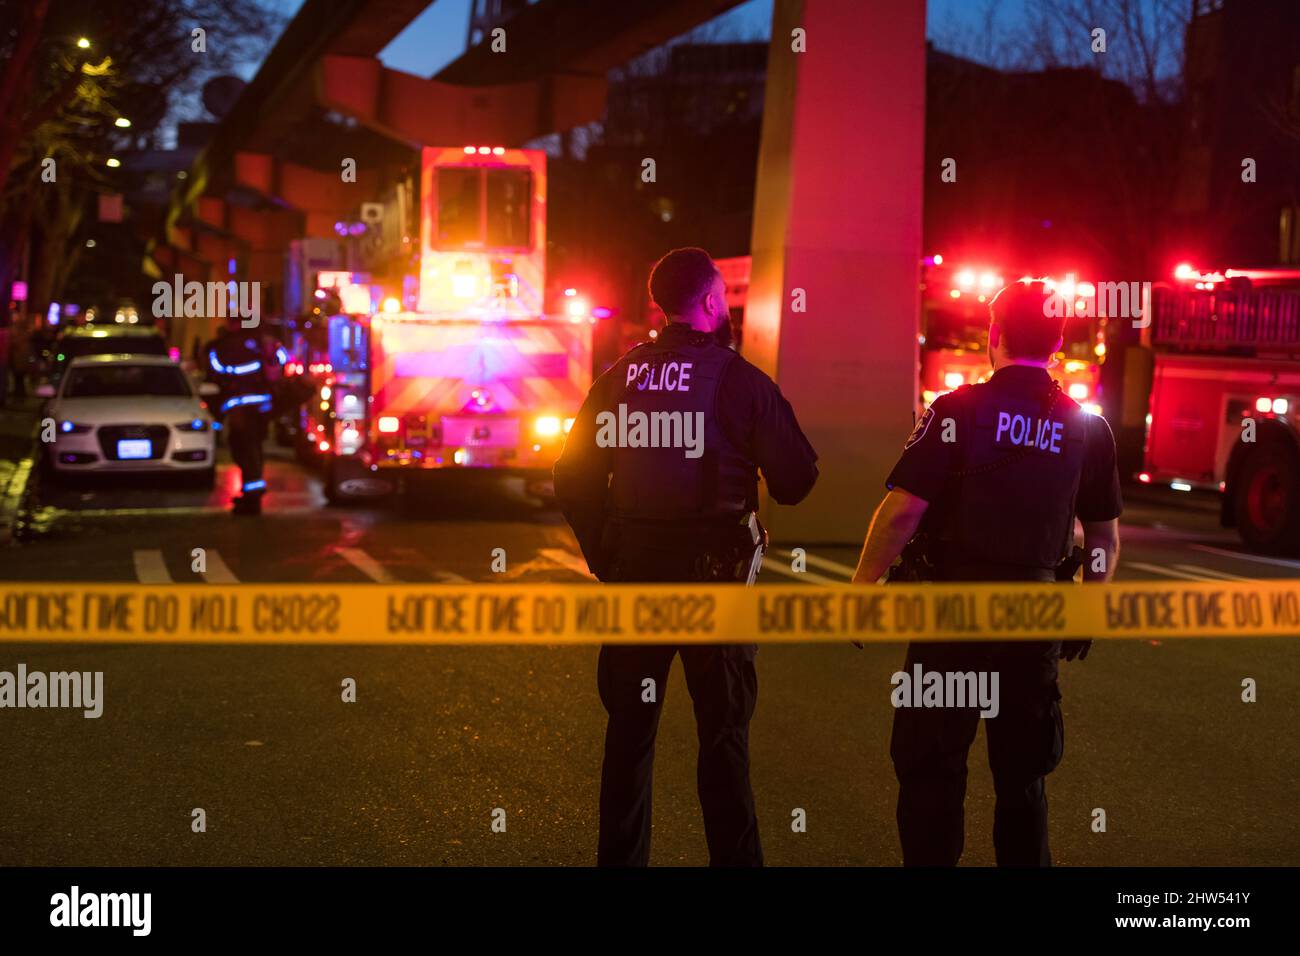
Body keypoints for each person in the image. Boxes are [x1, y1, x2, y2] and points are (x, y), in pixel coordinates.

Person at [555, 247, 819, 867]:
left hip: (635, 579)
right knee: (723, 739)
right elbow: (797, 481)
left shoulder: (619, 378)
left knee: (629, 738)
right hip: (715, 583)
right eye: (722, 295)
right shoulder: (741, 382)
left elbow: (572, 477)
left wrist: (607, 555)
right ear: (708, 301)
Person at [850, 279, 1122, 867]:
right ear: (1056, 343)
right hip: (1035, 619)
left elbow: (903, 510)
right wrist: (1087, 610)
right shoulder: (1086, 428)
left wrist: (863, 587)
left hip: (954, 620)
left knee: (931, 772)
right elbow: (1102, 539)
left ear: (993, 336)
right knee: (1022, 780)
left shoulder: (955, 411)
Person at [203, 317, 274, 515]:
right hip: (261, 405)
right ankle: (252, 494)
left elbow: (216, 370)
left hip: (239, 406)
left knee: (243, 447)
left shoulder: (225, 345)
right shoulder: (260, 342)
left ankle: (252, 498)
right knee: (254, 447)